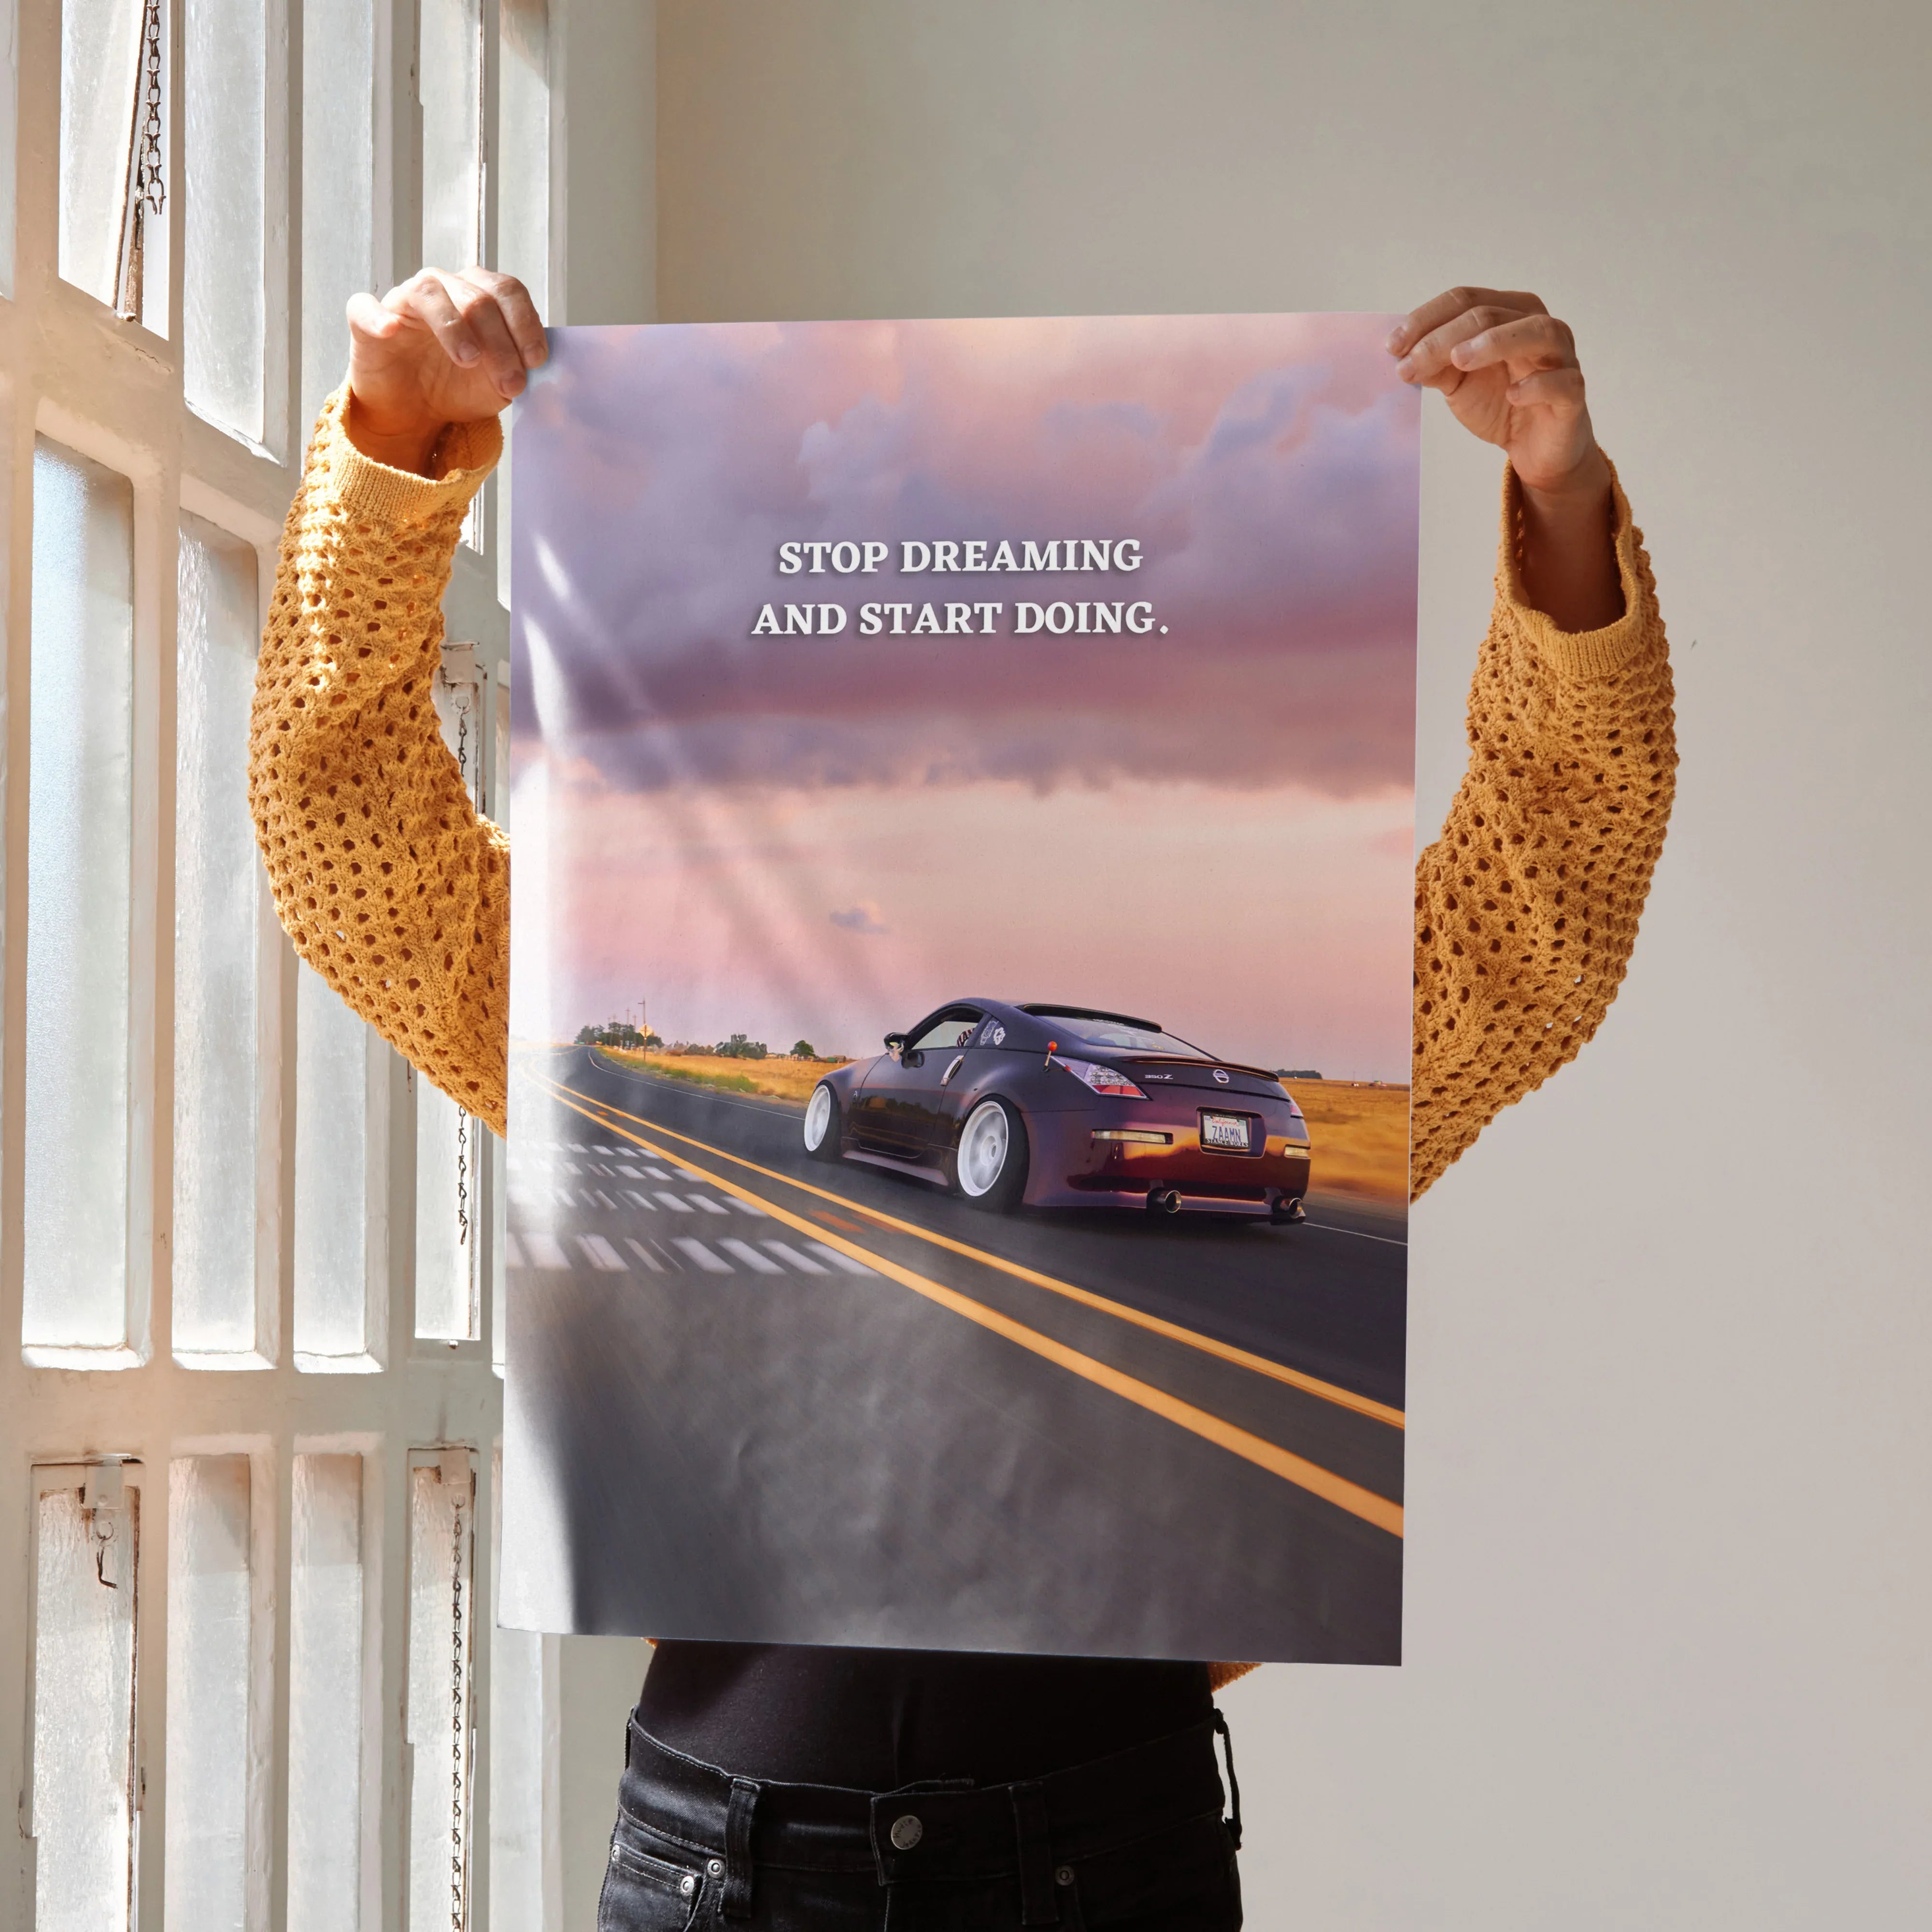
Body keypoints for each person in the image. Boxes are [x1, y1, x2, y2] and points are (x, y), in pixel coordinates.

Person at [249, 269, 1675, 1929]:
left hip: (1103, 1850)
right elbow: (347, 841)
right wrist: (393, 446)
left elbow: (1545, 904)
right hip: (730, 1861)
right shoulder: (598, 996)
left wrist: (1561, 501)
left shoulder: (1247, 1060)